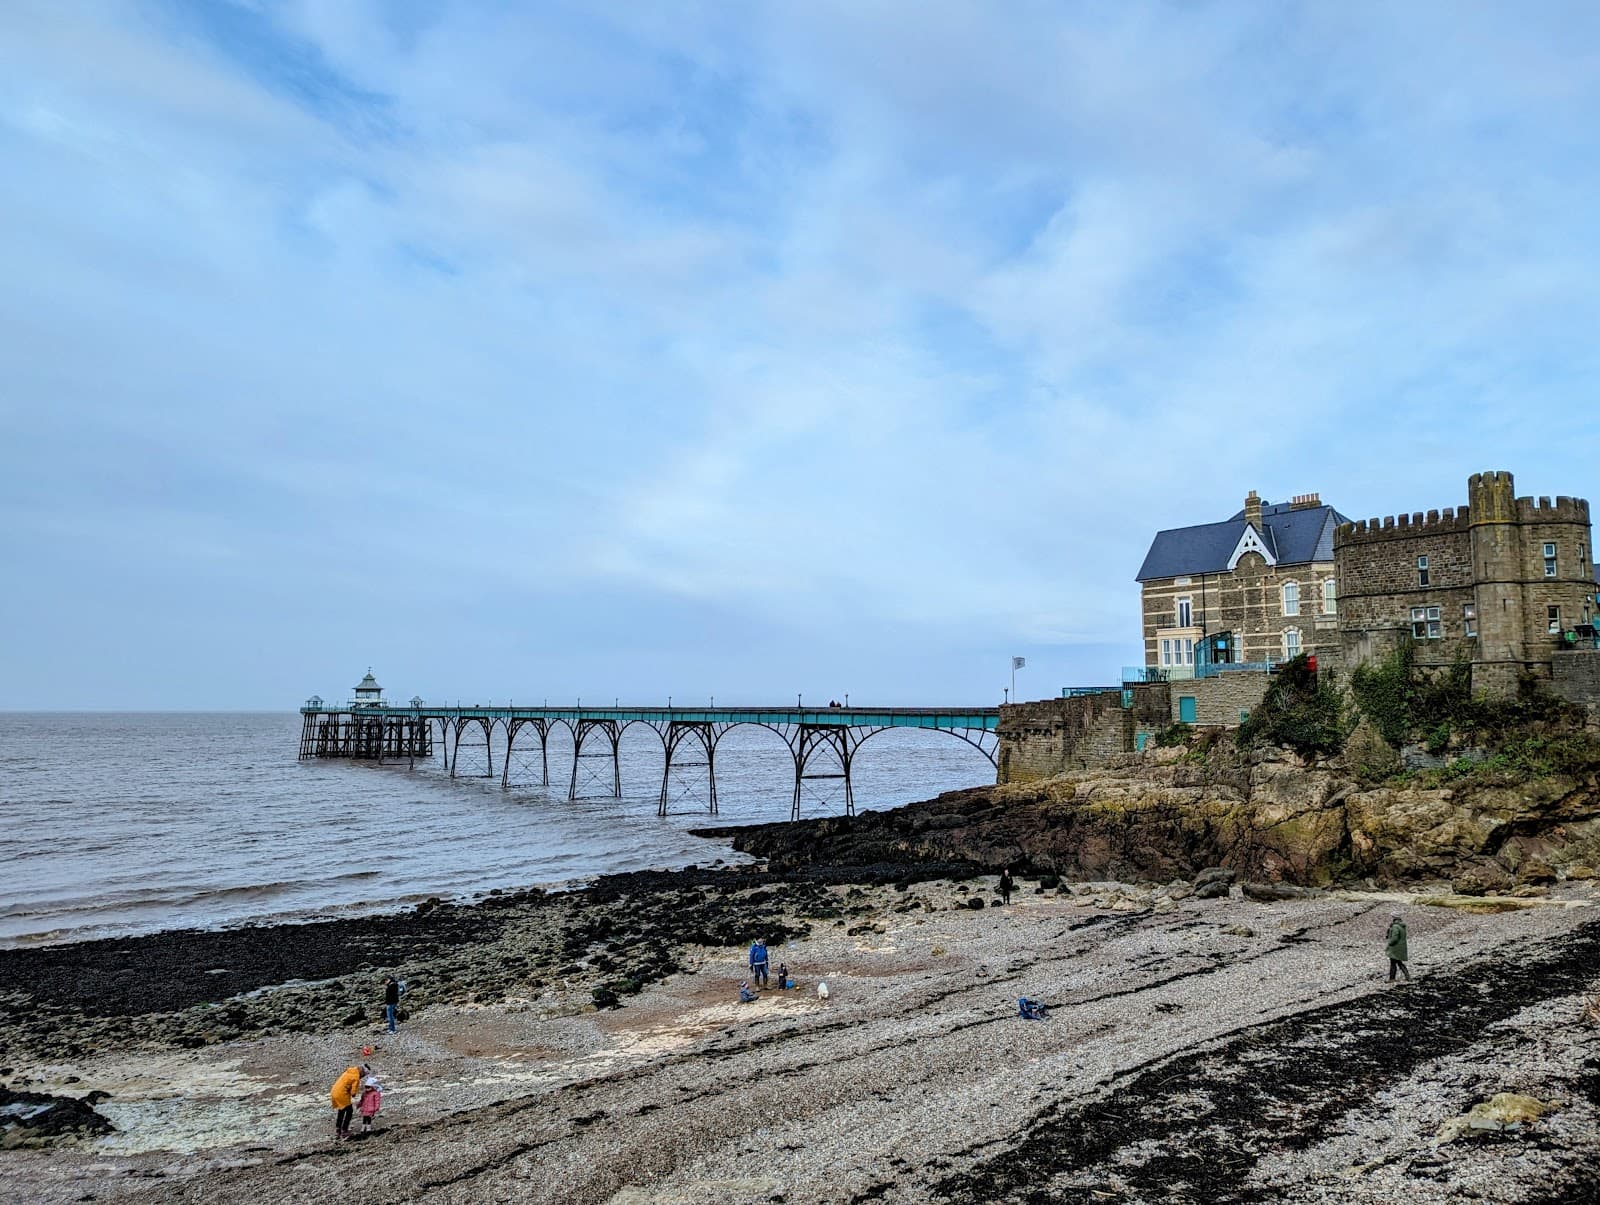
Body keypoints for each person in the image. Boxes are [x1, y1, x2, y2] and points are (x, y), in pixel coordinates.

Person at [331, 1063, 364, 1141]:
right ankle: (344, 1130)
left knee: (341, 1110)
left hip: (334, 1091)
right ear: (362, 1073)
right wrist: (354, 1093)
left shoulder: (349, 1071)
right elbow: (353, 1093)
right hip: (342, 1094)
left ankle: (338, 1128)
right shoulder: (356, 1078)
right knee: (349, 1111)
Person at [1386, 914, 1410, 982]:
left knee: (1394, 963)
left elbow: (1394, 938)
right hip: (1400, 947)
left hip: (1395, 948)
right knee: (1398, 962)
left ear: (1394, 918)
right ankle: (1407, 977)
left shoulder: (1395, 927)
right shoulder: (1401, 926)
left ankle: (1392, 978)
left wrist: (1389, 943)